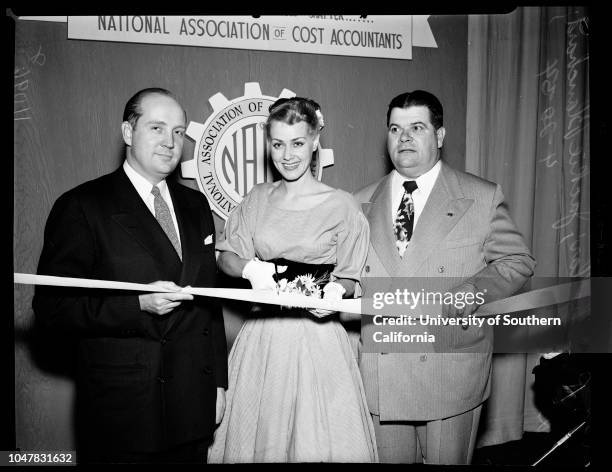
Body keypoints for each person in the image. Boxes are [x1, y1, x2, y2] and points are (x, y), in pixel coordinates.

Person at [32, 88, 228, 463]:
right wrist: (136, 305)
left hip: (192, 407)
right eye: (156, 128)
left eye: (177, 131)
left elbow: (210, 303)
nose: (170, 142)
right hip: (124, 412)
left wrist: (217, 383)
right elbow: (52, 308)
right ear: (127, 132)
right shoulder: (83, 206)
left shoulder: (195, 205)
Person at [353, 90, 535, 464]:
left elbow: (516, 261)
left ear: (439, 136)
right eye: (395, 128)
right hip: (381, 373)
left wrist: (470, 292)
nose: (403, 138)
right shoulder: (357, 203)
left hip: (449, 372)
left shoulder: (481, 196)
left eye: (416, 127)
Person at [207, 97, 378, 463]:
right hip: (265, 338)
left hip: (319, 339)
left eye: (297, 143)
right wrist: (251, 269)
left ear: (315, 141)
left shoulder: (342, 204)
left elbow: (350, 274)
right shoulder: (257, 199)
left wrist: (334, 292)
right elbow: (226, 256)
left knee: (317, 441)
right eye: (278, 144)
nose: (287, 155)